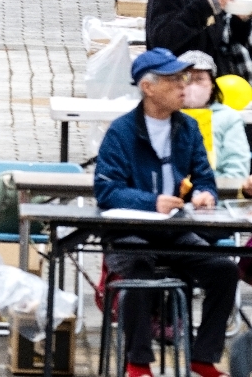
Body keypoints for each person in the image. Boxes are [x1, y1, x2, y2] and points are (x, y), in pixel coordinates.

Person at [94, 48, 236, 377]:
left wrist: (204, 194)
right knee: (139, 270)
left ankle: (203, 356)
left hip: (176, 231)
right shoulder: (121, 132)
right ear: (148, 87)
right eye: (174, 80)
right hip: (129, 233)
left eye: (184, 78)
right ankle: (138, 363)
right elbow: (106, 190)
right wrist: (150, 201)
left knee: (224, 270)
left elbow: (204, 176)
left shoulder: (186, 128)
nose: (183, 86)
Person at [179, 49, 252, 183]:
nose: (193, 85)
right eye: (186, 78)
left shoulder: (228, 117)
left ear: (212, 84)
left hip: (217, 194)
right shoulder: (165, 114)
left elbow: (237, 167)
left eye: (200, 79)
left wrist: (210, 190)